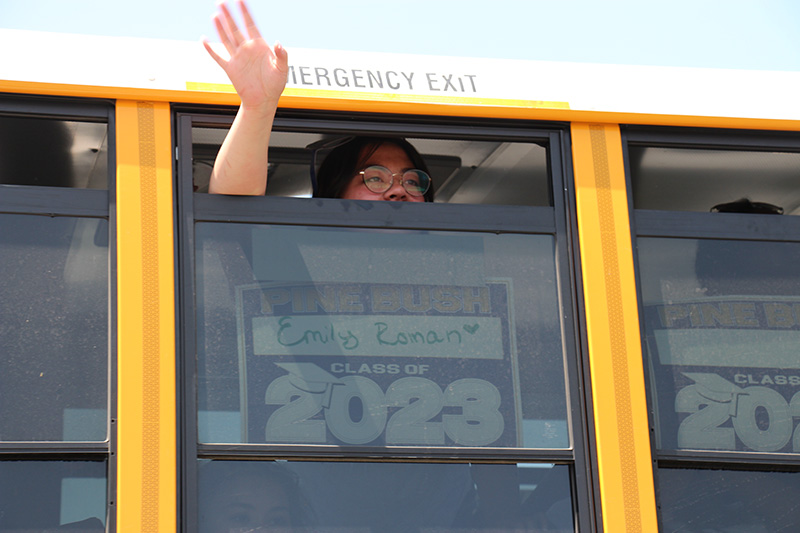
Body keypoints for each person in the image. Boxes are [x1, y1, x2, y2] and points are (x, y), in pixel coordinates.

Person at [204, 0, 434, 202]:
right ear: (335, 193)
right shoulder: (293, 250)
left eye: (413, 182)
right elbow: (232, 210)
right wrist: (257, 107)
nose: (398, 191)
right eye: (374, 178)